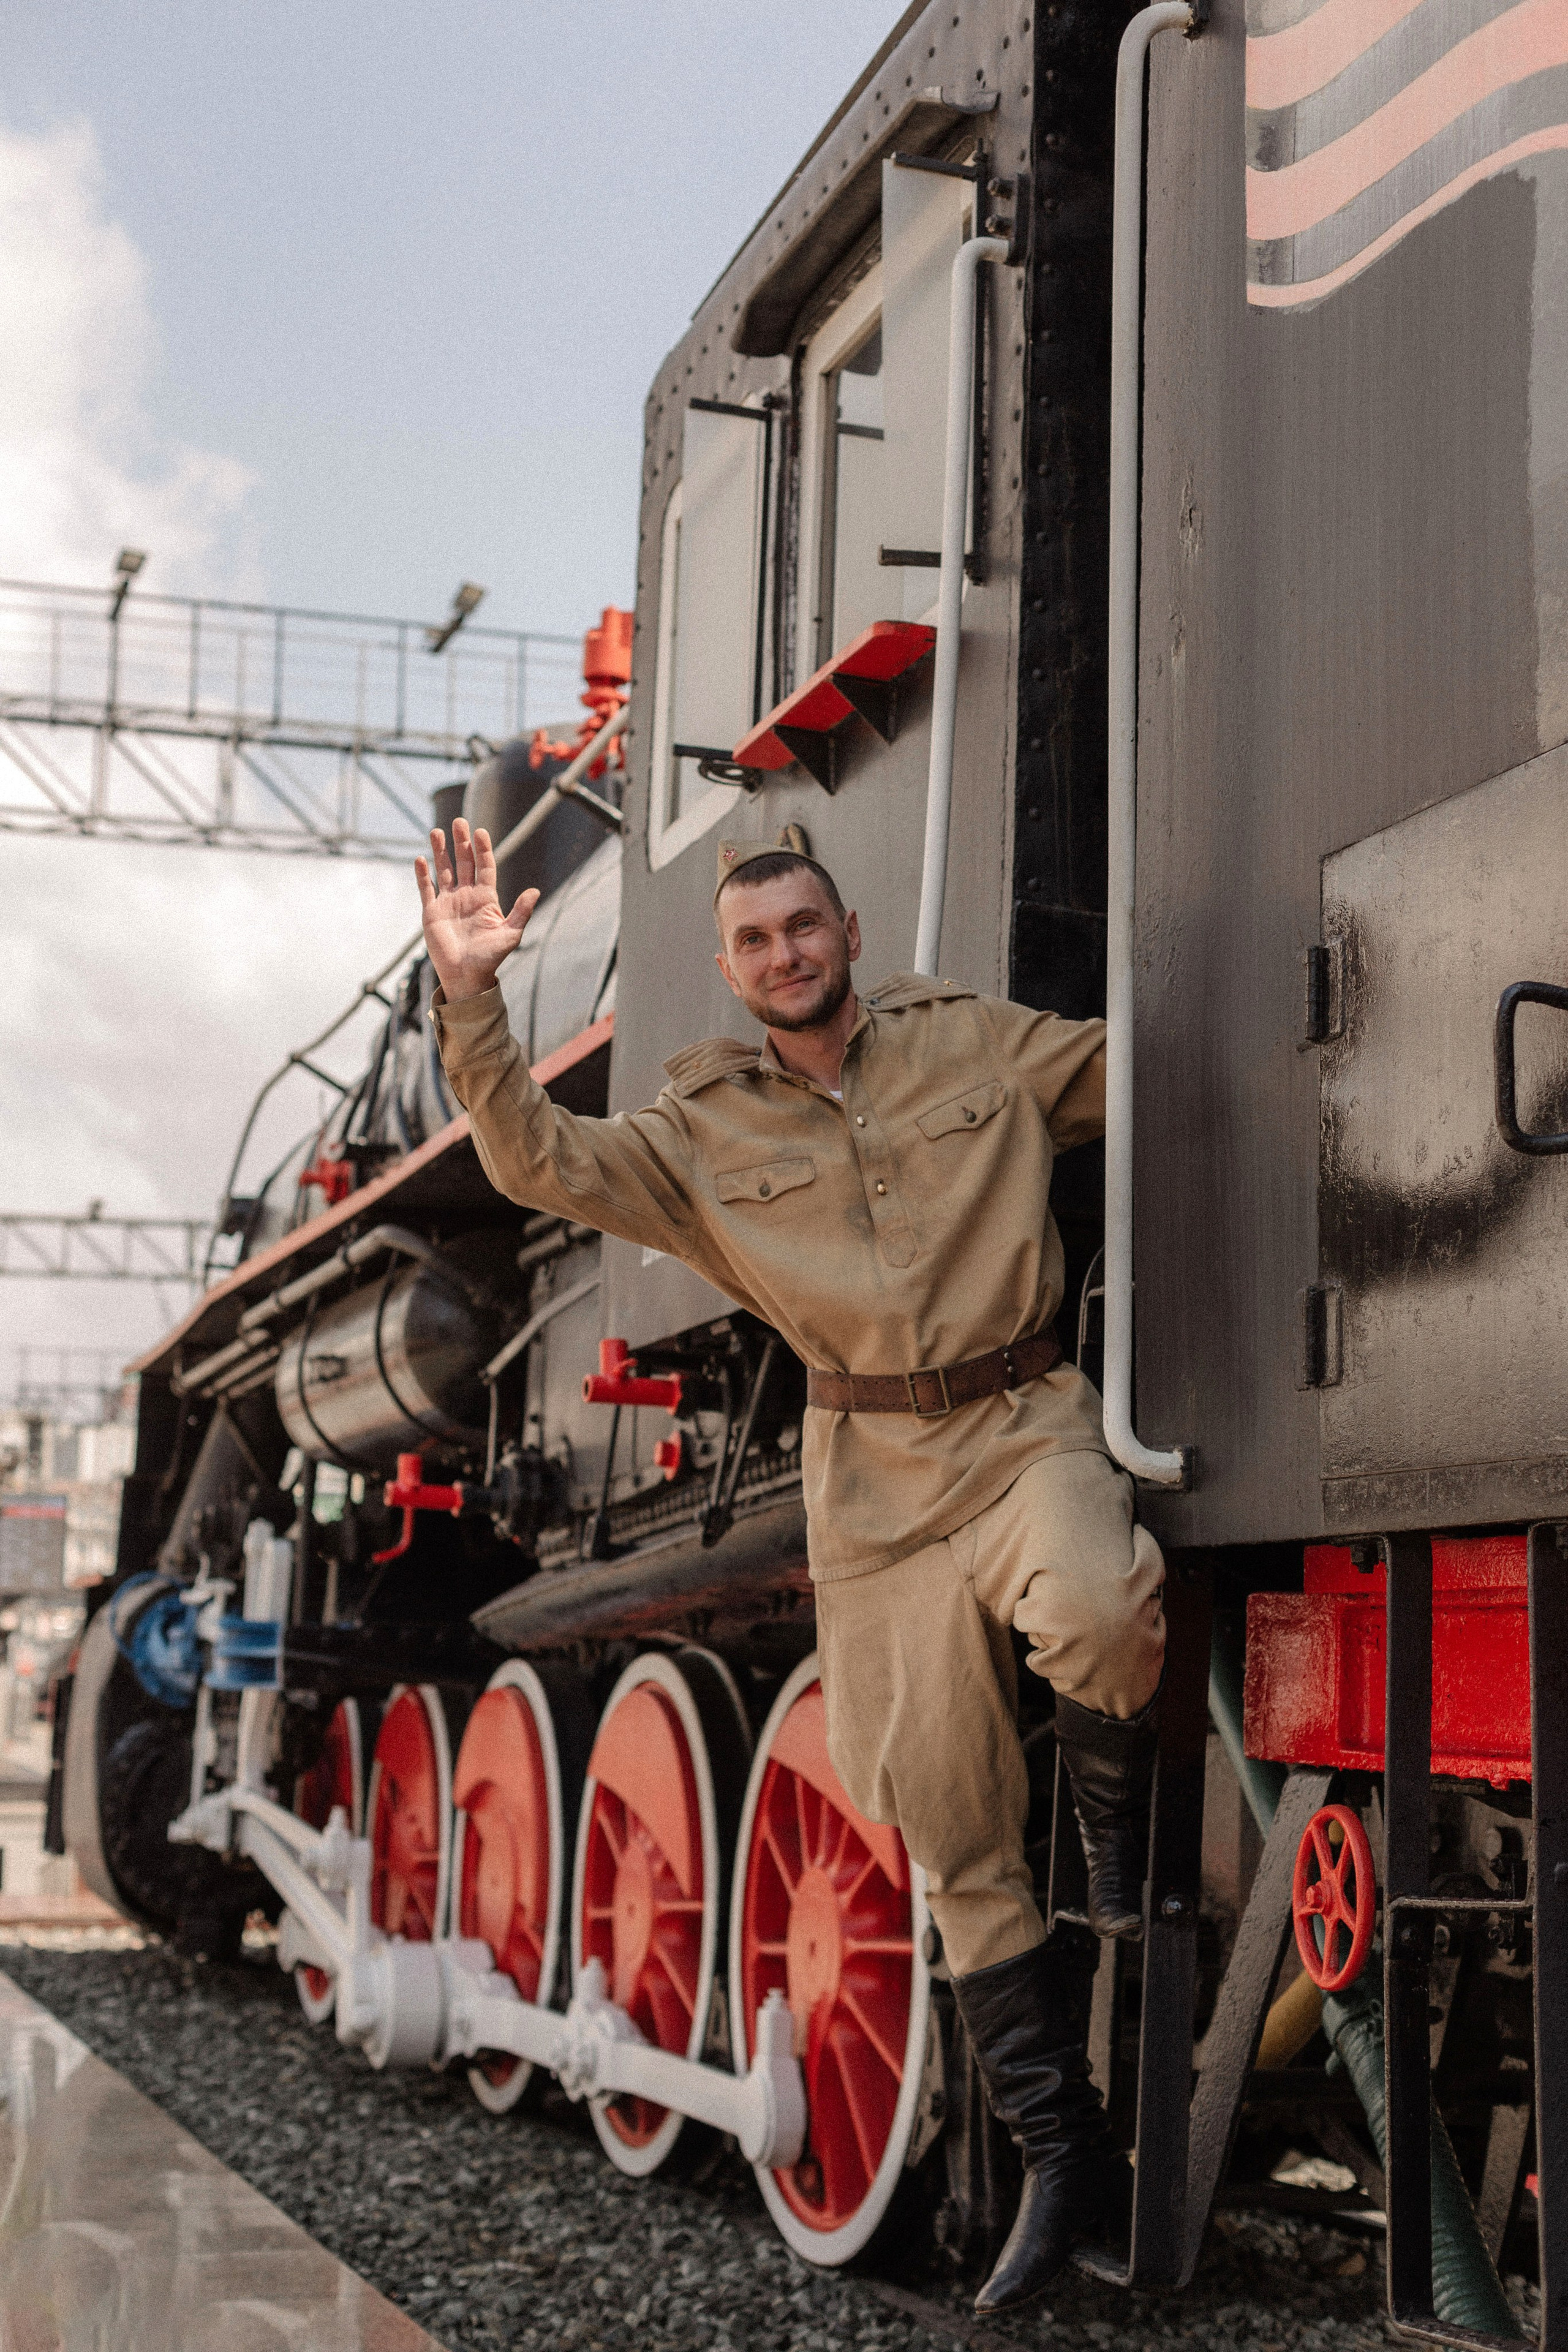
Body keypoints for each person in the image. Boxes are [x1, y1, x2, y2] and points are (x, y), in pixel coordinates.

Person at [417, 815, 1167, 2315]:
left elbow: (1142, 1065)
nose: (785, 955)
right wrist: (471, 996)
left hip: (1022, 1425)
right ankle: (1058, 2157)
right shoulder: (699, 1133)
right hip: (871, 1490)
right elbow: (533, 1160)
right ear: (727, 967)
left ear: (848, 934)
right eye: (755, 941)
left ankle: (1108, 1863)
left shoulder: (973, 1044)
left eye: (804, 927)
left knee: (1102, 1603)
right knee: (946, 1826)